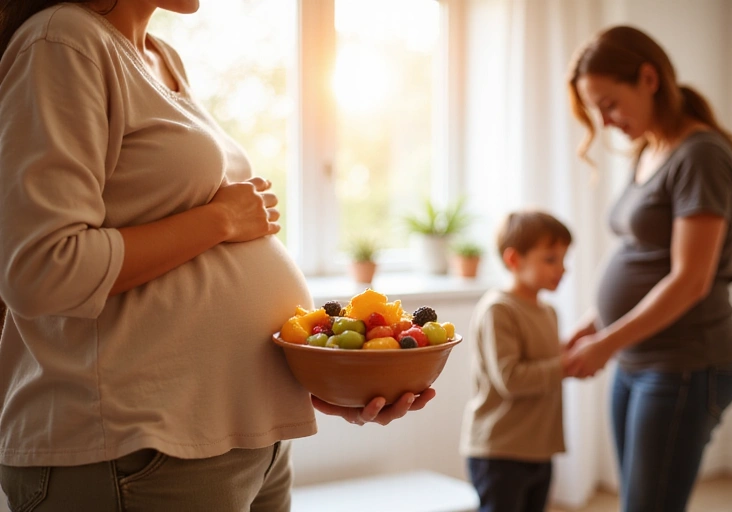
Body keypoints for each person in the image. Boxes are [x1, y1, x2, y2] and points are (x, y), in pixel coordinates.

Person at [0, 2, 434, 511]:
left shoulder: (161, 56)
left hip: (246, 439)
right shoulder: (62, 43)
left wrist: (334, 379)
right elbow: (42, 269)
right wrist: (221, 220)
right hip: (138, 451)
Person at [564, 25, 732, 512]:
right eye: (596, 110)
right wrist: (594, 322)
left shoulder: (702, 155)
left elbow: (690, 280)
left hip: (686, 363)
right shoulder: (651, 147)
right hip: (639, 358)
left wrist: (606, 342)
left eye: (609, 103)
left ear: (649, 78)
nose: (604, 121)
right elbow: (642, 252)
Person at [460, 211, 573, 512]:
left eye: (564, 259)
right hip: (500, 450)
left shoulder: (549, 312)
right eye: (551, 259)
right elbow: (511, 378)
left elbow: (541, 361)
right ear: (514, 260)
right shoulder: (499, 309)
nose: (562, 269)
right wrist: (567, 365)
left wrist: (567, 355)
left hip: (538, 447)